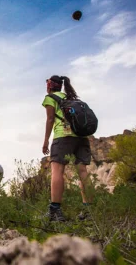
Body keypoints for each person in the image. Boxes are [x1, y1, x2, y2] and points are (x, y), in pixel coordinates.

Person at [42, 75, 94, 222]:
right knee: (83, 172)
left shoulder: (50, 98)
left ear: (50, 86)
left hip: (63, 137)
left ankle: (55, 211)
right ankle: (89, 211)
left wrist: (46, 140)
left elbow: (50, 119)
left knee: (57, 171)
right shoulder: (71, 98)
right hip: (81, 136)